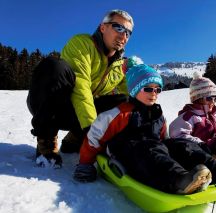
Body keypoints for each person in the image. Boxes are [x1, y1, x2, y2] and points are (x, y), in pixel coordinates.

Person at [73, 64, 216, 195]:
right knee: (148, 148)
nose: (154, 93)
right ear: (134, 90)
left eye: (158, 89)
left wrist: (175, 148)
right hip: (127, 152)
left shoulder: (158, 114)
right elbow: (94, 137)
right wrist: (85, 164)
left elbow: (164, 139)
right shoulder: (119, 113)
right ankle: (179, 180)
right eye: (148, 88)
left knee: (180, 144)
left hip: (152, 149)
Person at [27, 10, 136, 168]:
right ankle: (46, 141)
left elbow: (129, 99)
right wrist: (92, 132)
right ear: (103, 27)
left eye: (128, 32)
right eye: (118, 28)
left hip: (79, 117)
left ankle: (75, 139)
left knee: (124, 102)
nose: (123, 35)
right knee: (54, 67)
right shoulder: (82, 44)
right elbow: (81, 86)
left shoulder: (120, 66)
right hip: (53, 106)